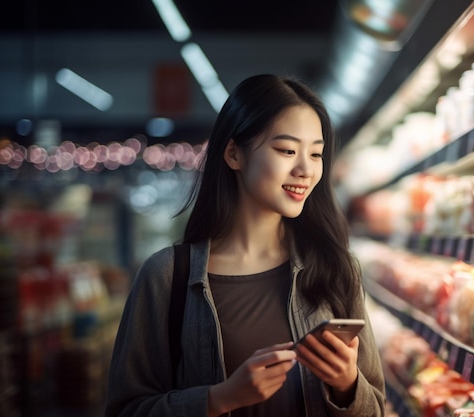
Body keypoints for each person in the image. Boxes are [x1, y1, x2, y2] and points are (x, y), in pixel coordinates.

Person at [105, 74, 386, 416]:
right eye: (287, 150)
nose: (305, 170)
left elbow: (377, 408)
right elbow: (125, 409)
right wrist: (220, 398)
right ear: (234, 154)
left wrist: (347, 385)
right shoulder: (167, 276)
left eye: (316, 154)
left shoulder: (336, 268)